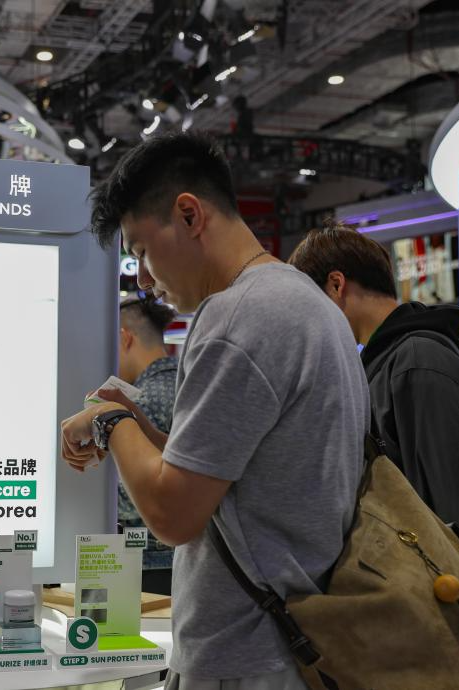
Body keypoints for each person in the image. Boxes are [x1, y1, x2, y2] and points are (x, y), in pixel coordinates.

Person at [60, 131, 369, 689]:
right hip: (289, 643)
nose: (143, 280)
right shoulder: (303, 302)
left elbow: (173, 517)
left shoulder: (236, 317)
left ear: (189, 214)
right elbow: (227, 474)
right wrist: (132, 425)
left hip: (244, 656)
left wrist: (111, 421)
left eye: (141, 252)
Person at [288, 224, 459, 579]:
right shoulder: (384, 364)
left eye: (309, 305)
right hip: (411, 587)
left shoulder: (419, 361)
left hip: (444, 594)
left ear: (337, 285)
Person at [111, 296, 178, 595]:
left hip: (150, 564)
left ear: (125, 338)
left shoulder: (143, 401)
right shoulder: (190, 384)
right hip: (181, 558)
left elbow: (131, 497)